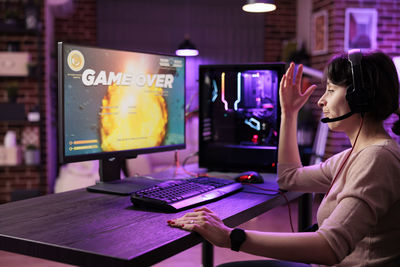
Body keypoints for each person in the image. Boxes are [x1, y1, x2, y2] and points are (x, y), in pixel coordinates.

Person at [167, 50, 400, 266]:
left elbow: (330, 247)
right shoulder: (355, 156)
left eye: (330, 90)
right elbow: (290, 178)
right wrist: (288, 113)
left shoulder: (377, 158)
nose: (321, 101)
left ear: (359, 97)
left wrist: (231, 237)